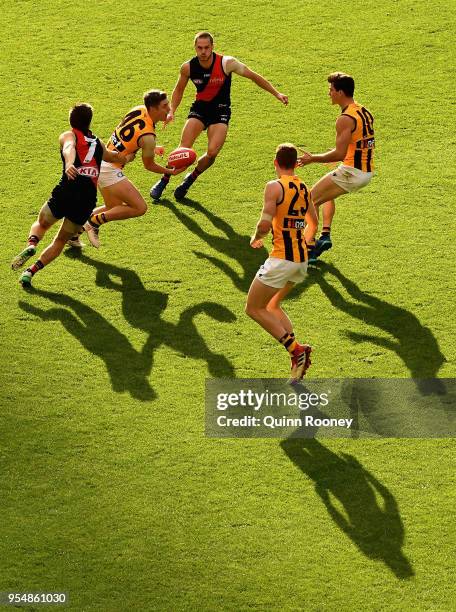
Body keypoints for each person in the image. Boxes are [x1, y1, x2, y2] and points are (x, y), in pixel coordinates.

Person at [150, 31, 288, 202]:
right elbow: (179, 90)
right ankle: (164, 180)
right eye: (199, 48)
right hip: (199, 110)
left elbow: (253, 76)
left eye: (207, 48)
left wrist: (276, 93)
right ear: (195, 48)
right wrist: (172, 111)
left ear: (212, 47)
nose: (203, 52)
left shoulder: (226, 63)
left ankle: (189, 179)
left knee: (212, 152)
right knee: (183, 149)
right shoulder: (188, 67)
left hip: (220, 112)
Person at [11, 103, 130, 287]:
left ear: (71, 120)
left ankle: (32, 245)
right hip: (87, 200)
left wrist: (69, 164)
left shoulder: (69, 135)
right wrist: (128, 156)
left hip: (67, 190)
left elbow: (69, 148)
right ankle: (29, 272)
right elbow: (113, 157)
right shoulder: (98, 142)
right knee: (60, 240)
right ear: (89, 122)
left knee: (42, 223)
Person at [245, 143, 318, 381]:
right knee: (272, 307)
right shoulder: (304, 188)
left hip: (280, 260)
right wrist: (303, 245)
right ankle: (297, 356)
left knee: (253, 308)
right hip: (300, 262)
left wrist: (257, 238)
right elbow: (313, 224)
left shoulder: (274, 187)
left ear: (275, 163)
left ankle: (297, 351)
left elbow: (265, 223)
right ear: (295, 163)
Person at [84, 90, 185, 248]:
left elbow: (126, 135)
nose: (169, 108)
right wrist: (170, 172)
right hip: (110, 169)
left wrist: (150, 148)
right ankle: (93, 222)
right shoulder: (148, 137)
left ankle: (73, 233)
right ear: (153, 108)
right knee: (140, 207)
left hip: (101, 161)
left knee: (112, 208)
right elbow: (149, 165)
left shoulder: (138, 109)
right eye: (165, 106)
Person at [298, 72, 375, 262]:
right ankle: (325, 235)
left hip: (351, 172)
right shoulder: (363, 111)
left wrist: (312, 158)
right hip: (365, 170)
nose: (329, 93)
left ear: (340, 92)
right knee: (326, 193)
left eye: (331, 90)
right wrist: (336, 157)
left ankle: (308, 249)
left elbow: (340, 153)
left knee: (309, 200)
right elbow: (360, 143)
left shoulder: (344, 119)